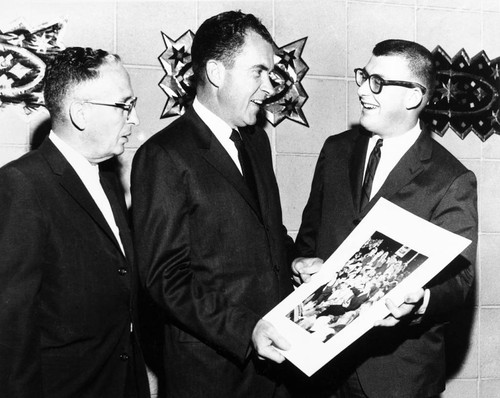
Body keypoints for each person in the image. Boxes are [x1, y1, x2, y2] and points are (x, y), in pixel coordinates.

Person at [292, 39, 478, 398]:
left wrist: (420, 301)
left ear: (413, 97)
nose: (362, 89)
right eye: (363, 77)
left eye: (377, 82)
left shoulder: (450, 178)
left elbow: (460, 280)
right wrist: (299, 264)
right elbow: (309, 237)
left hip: (396, 379)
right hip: (321, 367)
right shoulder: (335, 151)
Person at [131, 10, 295, 398]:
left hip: (277, 372)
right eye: (258, 72)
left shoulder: (256, 141)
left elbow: (268, 234)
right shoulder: (164, 155)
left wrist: (296, 260)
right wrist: (245, 330)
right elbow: (165, 278)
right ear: (217, 73)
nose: (269, 87)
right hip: (211, 375)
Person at [0, 47, 150, 398]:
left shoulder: (108, 179)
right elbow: (10, 333)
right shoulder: (21, 187)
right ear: (80, 114)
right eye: (124, 106)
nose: (135, 119)